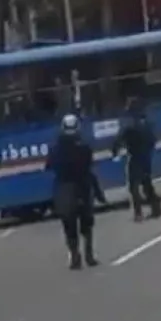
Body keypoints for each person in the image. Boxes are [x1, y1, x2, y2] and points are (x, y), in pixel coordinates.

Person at [47, 113, 106, 270]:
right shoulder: (84, 147)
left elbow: (49, 165)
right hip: (83, 186)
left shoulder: (56, 148)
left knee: (69, 224)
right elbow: (89, 165)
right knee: (87, 223)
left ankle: (74, 256)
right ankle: (89, 255)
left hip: (65, 187)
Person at [113, 96, 161, 222]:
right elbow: (153, 140)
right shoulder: (145, 123)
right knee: (147, 184)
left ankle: (138, 213)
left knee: (134, 187)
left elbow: (120, 139)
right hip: (145, 157)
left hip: (134, 157)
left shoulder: (129, 124)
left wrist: (115, 151)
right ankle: (156, 208)